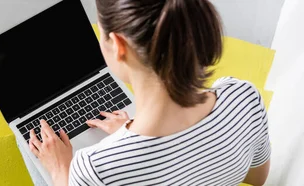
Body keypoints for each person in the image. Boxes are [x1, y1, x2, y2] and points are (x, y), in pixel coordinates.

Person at [25, 0, 271, 185]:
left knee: (32, 149)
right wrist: (128, 130)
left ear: (119, 46)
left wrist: (61, 170)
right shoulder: (244, 98)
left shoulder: (94, 169)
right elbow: (257, 178)